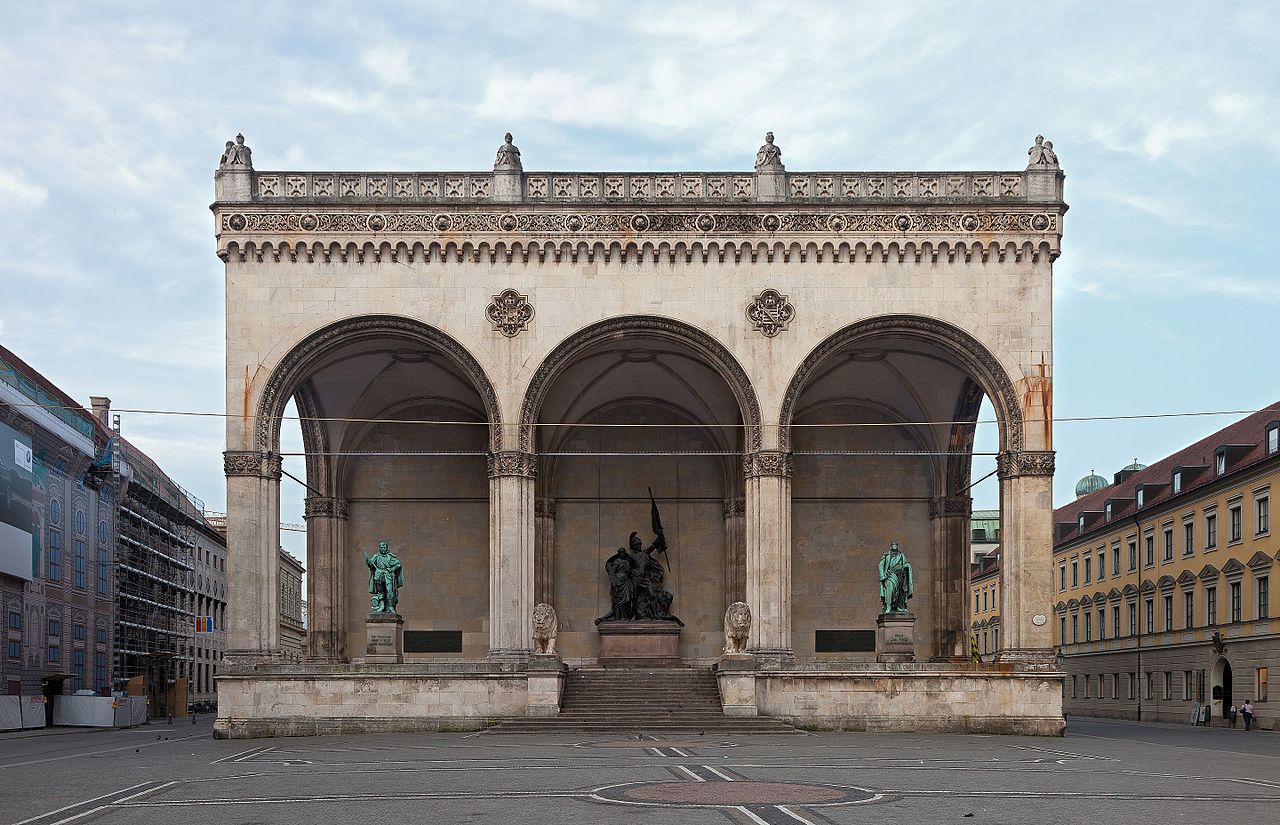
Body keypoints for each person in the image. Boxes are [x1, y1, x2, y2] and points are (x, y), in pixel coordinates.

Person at [362, 540, 404, 614]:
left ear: (387, 548)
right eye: (382, 547)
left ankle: (390, 606)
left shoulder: (390, 557)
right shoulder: (376, 556)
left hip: (388, 575)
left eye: (385, 547)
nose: (384, 549)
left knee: (390, 591)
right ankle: (382, 606)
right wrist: (368, 561)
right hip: (379, 575)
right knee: (380, 591)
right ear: (380, 548)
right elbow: (371, 565)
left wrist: (392, 569)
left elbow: (398, 564)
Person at [878, 541, 914, 614]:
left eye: (896, 545)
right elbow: (881, 565)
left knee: (900, 591)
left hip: (900, 575)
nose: (894, 546)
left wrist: (906, 566)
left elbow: (906, 563)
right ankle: (888, 606)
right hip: (890, 575)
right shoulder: (887, 555)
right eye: (893, 545)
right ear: (891, 546)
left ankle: (898, 606)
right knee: (890, 590)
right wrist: (882, 575)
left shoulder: (901, 555)